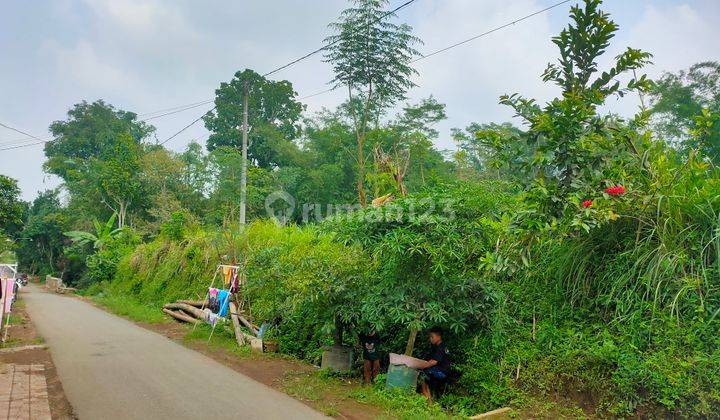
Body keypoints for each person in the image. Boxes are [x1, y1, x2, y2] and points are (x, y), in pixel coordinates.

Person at [418, 326, 451, 402]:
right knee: (425, 374)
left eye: (432, 337)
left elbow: (434, 362)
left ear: (439, 337)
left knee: (422, 375)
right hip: (443, 370)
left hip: (442, 372)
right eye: (430, 337)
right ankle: (427, 396)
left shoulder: (440, 347)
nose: (430, 339)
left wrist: (422, 365)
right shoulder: (441, 346)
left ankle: (427, 398)